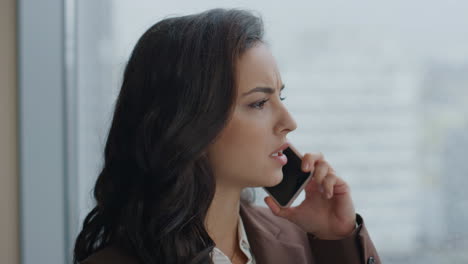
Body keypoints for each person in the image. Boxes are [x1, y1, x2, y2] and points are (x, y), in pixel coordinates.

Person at [73, 8, 381, 264]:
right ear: (188, 121)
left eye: (280, 99)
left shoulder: (297, 239)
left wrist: (337, 238)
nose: (289, 122)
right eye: (259, 103)